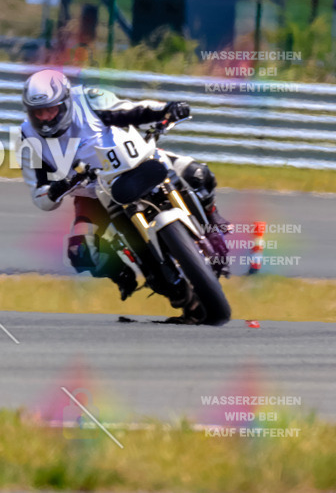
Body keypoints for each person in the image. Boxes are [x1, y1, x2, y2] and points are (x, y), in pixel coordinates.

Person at [18, 69, 232, 315]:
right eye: (38, 112)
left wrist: (167, 109)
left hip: (137, 162)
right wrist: (58, 188)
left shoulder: (89, 100)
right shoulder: (28, 138)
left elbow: (132, 109)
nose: (44, 118)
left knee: (199, 175)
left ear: (65, 103)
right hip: (94, 191)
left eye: (50, 109)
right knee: (81, 252)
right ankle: (127, 275)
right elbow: (39, 195)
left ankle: (213, 225)